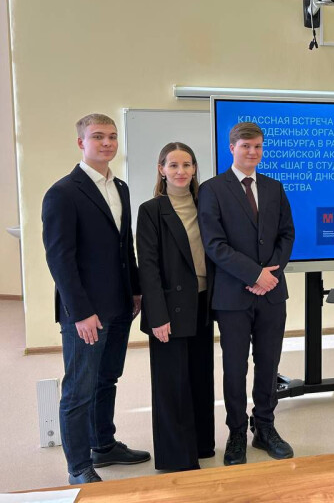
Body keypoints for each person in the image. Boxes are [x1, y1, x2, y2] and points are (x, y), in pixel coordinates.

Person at [42, 113, 150, 485]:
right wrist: (81, 312)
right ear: (81, 143)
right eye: (98, 136)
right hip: (87, 313)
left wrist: (135, 288)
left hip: (120, 305)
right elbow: (60, 259)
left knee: (107, 380)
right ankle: (78, 467)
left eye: (112, 137)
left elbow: (125, 245)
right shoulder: (63, 192)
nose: (107, 143)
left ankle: (103, 445)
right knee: (79, 390)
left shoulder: (120, 187)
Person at [198, 121, 295, 465]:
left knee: (268, 364)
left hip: (272, 294)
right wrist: (254, 274)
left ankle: (264, 427)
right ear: (232, 148)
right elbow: (214, 244)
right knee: (234, 368)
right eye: (245, 146)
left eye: (257, 146)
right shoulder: (212, 189)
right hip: (232, 296)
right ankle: (237, 431)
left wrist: (270, 275)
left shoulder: (274, 187)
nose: (252, 152)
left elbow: (287, 235)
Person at [136, 142, 215, 471]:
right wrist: (157, 315)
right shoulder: (151, 210)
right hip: (169, 307)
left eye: (187, 165)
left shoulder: (206, 204)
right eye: (173, 165)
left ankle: (202, 445)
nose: (181, 171)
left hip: (202, 302)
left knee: (200, 376)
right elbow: (148, 267)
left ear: (195, 169)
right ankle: (177, 458)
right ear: (162, 170)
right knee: (172, 384)